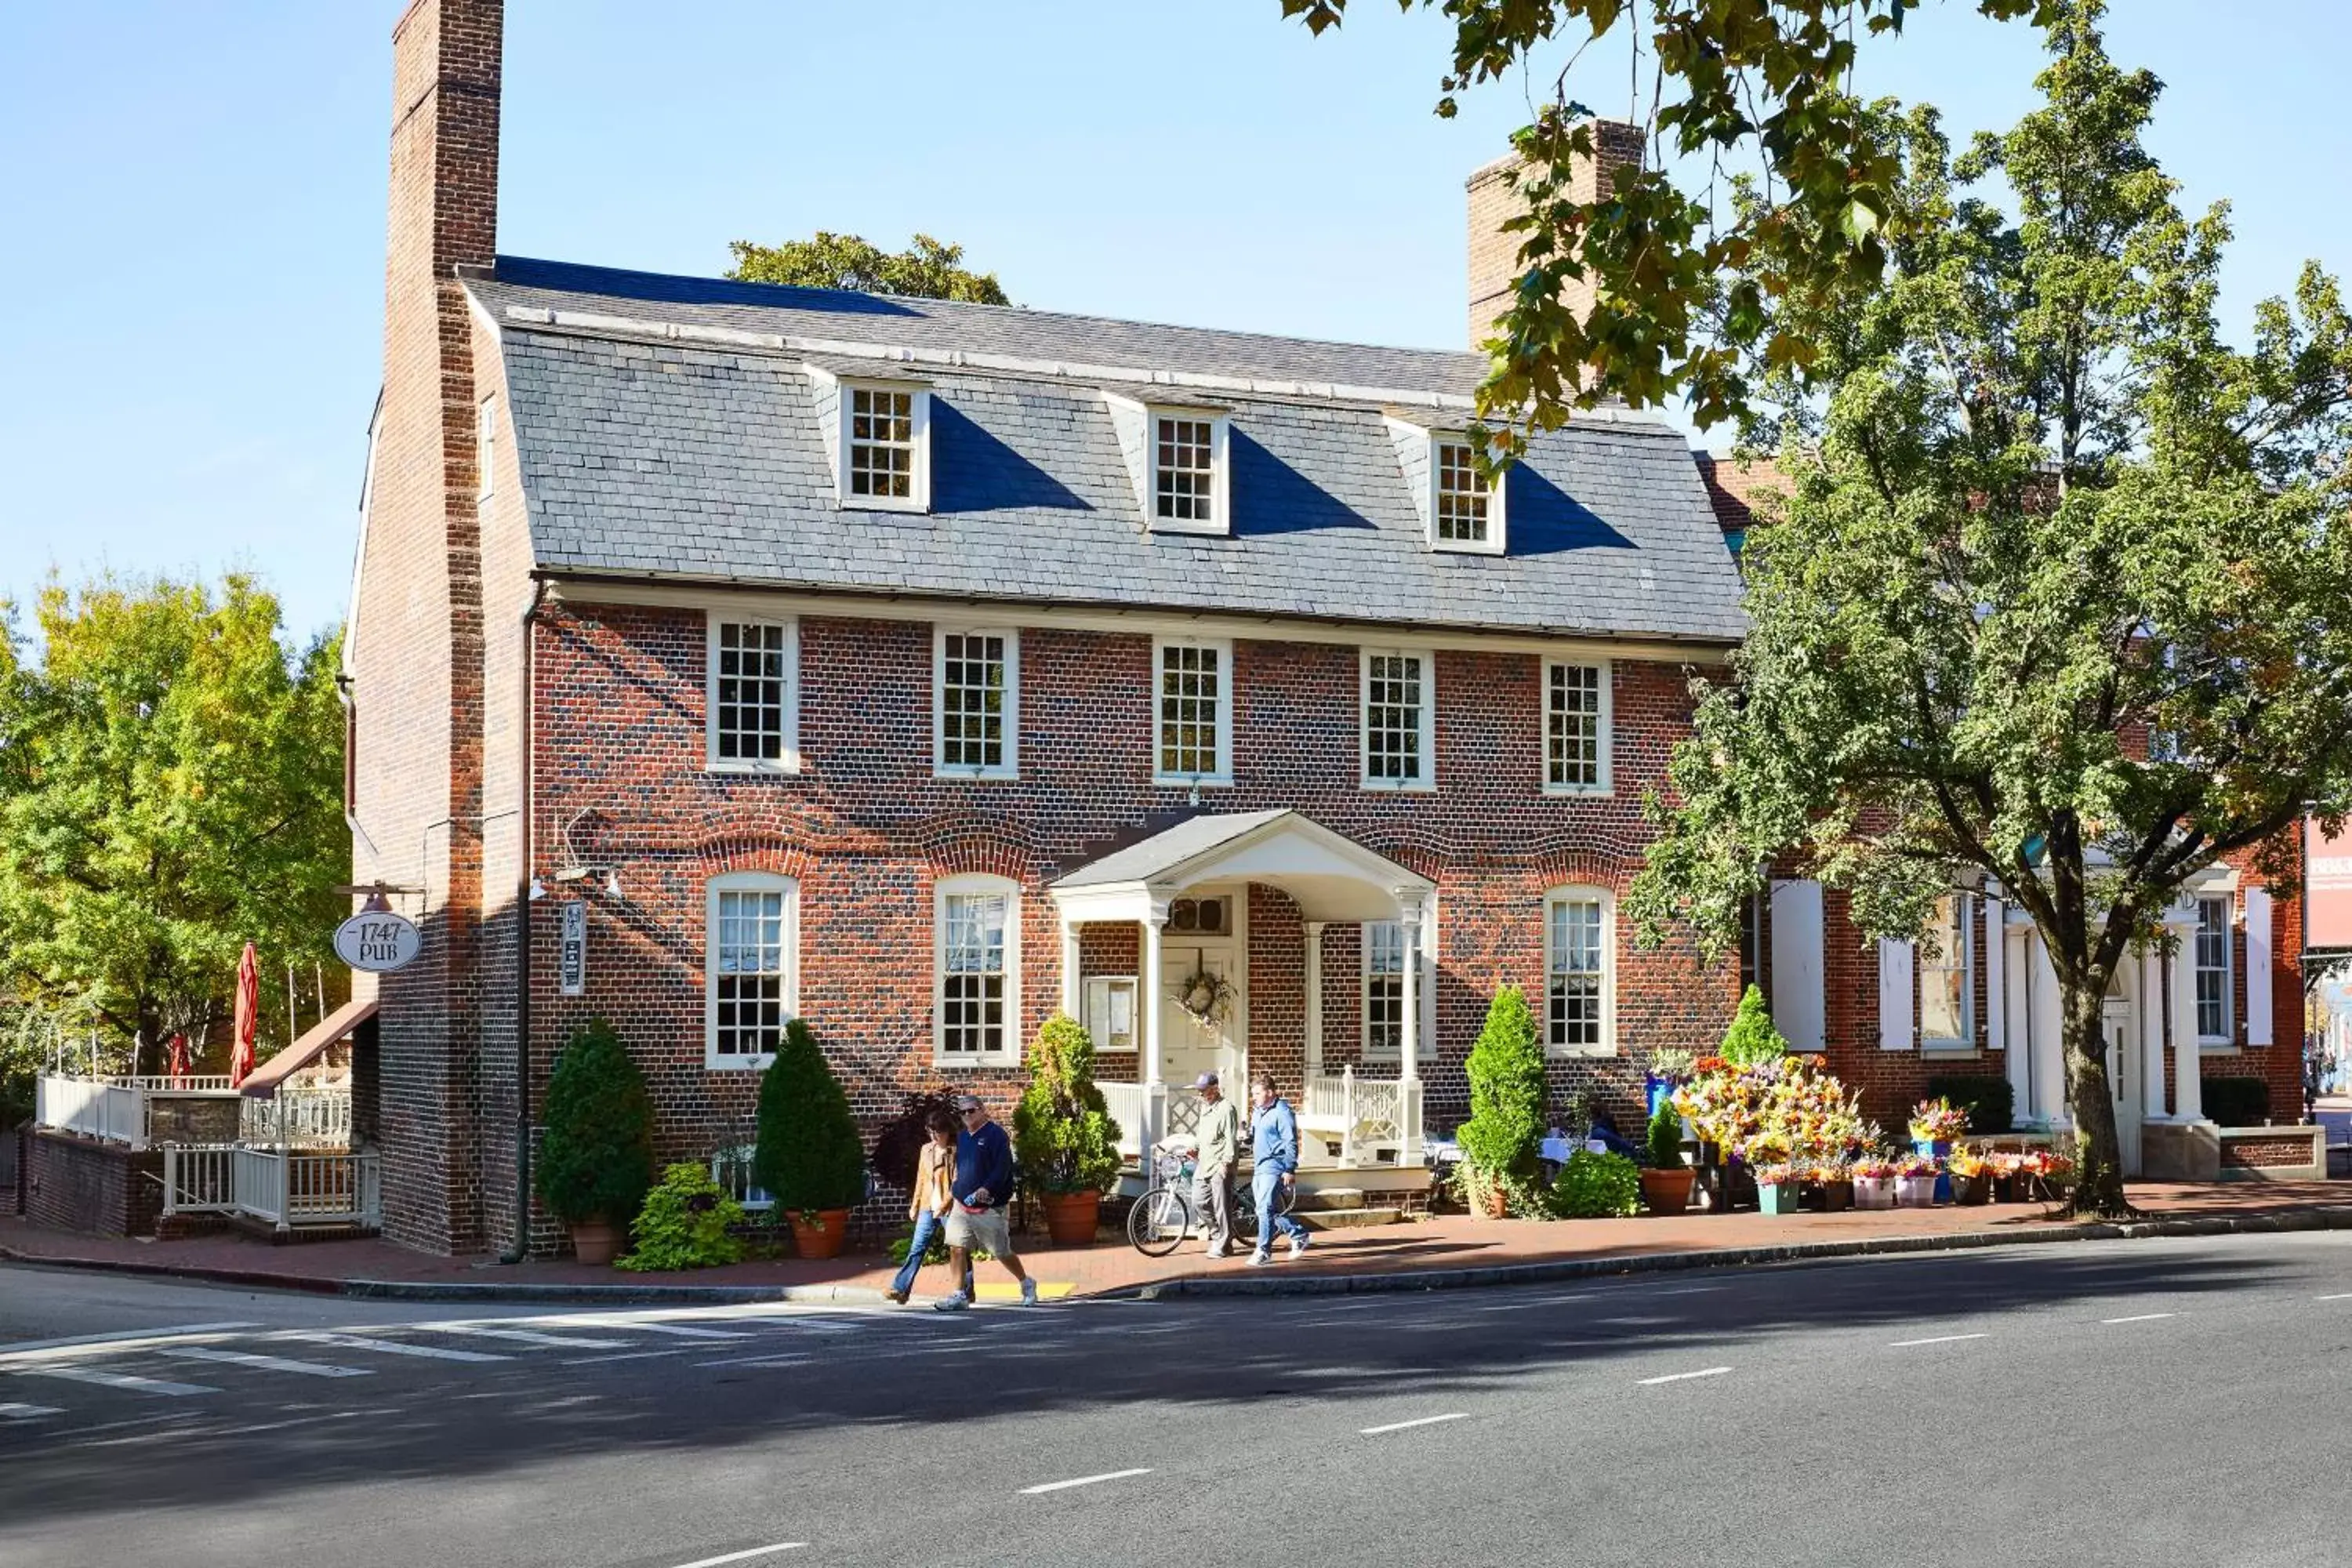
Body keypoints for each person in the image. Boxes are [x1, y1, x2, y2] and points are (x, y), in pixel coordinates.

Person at [935, 1093, 1038, 1311]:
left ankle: (1026, 1282)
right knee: (957, 1247)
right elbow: (961, 1167)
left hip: (989, 1206)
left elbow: (1002, 1168)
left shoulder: (996, 1135)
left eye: (971, 1110)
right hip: (962, 1204)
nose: (967, 1115)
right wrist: (955, 1189)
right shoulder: (963, 1137)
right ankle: (958, 1294)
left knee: (1001, 1252)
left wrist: (987, 1188)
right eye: (963, 1112)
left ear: (982, 1110)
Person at [884, 1107, 967, 1305]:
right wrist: (915, 1205)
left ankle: (967, 1289)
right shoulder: (926, 1150)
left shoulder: (956, 1150)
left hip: (950, 1207)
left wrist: (945, 1204)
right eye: (930, 1131)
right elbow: (921, 1179)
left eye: (937, 1132)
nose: (934, 1136)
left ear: (947, 1131)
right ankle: (901, 1289)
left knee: (958, 1249)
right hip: (928, 1206)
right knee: (917, 1248)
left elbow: (958, 1181)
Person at [1247, 1073, 1311, 1266]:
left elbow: (1290, 1142)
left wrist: (1289, 1169)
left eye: (1257, 1093)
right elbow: (1255, 1134)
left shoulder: (1282, 1112)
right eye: (1253, 1093)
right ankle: (1298, 1233)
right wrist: (1247, 1138)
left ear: (1270, 1092)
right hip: (1259, 1165)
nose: (1254, 1097)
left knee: (1265, 1207)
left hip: (1275, 1165)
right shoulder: (1258, 1111)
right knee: (1264, 1210)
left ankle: (1263, 1251)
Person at [1191, 1071, 1243, 1258]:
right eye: (1200, 1091)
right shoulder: (1205, 1107)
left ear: (1214, 1089)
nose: (1201, 1095)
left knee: (1222, 1207)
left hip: (1220, 1164)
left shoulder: (1226, 1109)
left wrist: (1226, 1163)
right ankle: (1219, 1237)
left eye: (1203, 1091)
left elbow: (1231, 1139)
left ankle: (1222, 1243)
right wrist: (1194, 1148)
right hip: (1204, 1162)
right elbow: (1202, 1133)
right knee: (1198, 1201)